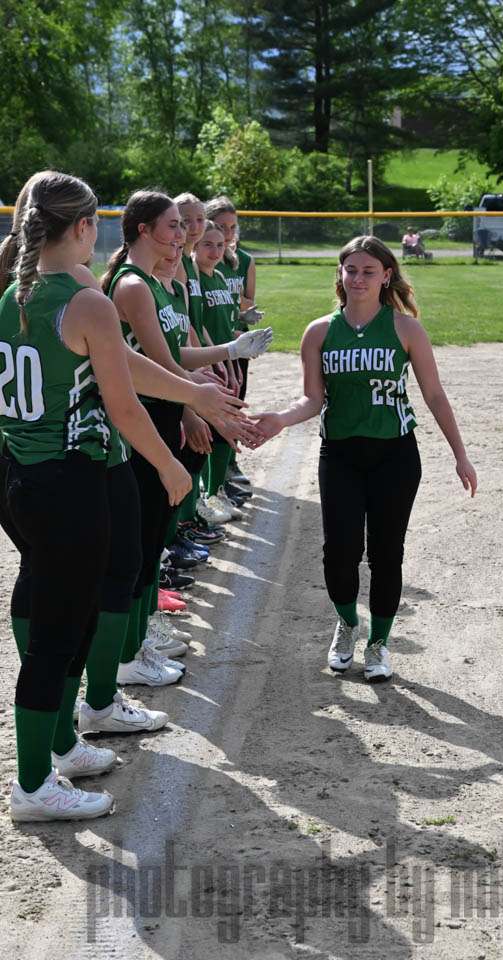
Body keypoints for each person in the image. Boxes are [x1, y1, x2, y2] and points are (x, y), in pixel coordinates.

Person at [0, 172, 194, 820]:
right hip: (67, 481)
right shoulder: (84, 300)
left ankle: (60, 744)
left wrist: (189, 393)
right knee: (61, 637)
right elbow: (125, 406)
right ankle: (33, 785)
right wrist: (168, 465)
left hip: (18, 472)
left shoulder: (16, 291)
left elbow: (109, 366)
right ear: (83, 227)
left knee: (52, 606)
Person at [252, 236, 477, 682]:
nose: (358, 278)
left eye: (368, 271)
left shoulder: (405, 329)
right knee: (339, 553)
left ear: (386, 276)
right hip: (340, 454)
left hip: (395, 454)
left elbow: (434, 394)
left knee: (387, 555)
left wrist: (460, 454)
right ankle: (347, 625)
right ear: (340, 274)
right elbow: (312, 399)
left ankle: (378, 644)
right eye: (350, 270)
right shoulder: (320, 331)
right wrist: (280, 418)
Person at [102, 191, 272, 686]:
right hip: (144, 420)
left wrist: (229, 349)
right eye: (174, 225)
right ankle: (129, 653)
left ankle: (139, 640)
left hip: (162, 412)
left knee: (152, 538)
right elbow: (162, 367)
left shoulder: (157, 283)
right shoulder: (133, 285)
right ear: (142, 229)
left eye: (184, 225)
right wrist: (199, 406)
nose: (184, 234)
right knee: (140, 544)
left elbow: (175, 355)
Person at [204, 195, 264, 487]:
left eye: (232, 227)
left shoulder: (244, 261)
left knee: (236, 400)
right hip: (212, 342)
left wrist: (243, 311)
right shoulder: (203, 260)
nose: (228, 233)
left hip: (237, 340)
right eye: (221, 226)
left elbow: (248, 300)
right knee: (213, 406)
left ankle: (229, 462)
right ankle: (214, 475)